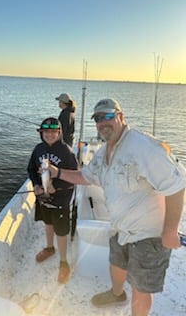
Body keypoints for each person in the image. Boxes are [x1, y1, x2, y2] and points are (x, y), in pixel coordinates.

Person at [48, 98, 186, 315]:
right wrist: (56, 173)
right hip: (121, 227)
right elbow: (85, 176)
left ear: (121, 117)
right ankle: (116, 294)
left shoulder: (143, 146)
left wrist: (169, 230)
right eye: (98, 118)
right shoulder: (103, 152)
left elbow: (177, 186)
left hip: (149, 235)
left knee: (140, 289)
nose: (103, 122)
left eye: (108, 116)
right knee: (116, 265)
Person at [27, 117, 78, 284]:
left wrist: (58, 188)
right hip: (43, 198)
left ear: (59, 132)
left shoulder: (67, 152)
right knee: (47, 223)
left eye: (53, 132)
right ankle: (49, 248)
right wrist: (35, 185)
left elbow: (75, 178)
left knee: (61, 231)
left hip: (61, 201)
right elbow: (31, 169)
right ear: (41, 134)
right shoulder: (38, 149)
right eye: (46, 132)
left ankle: (63, 262)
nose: (49, 135)